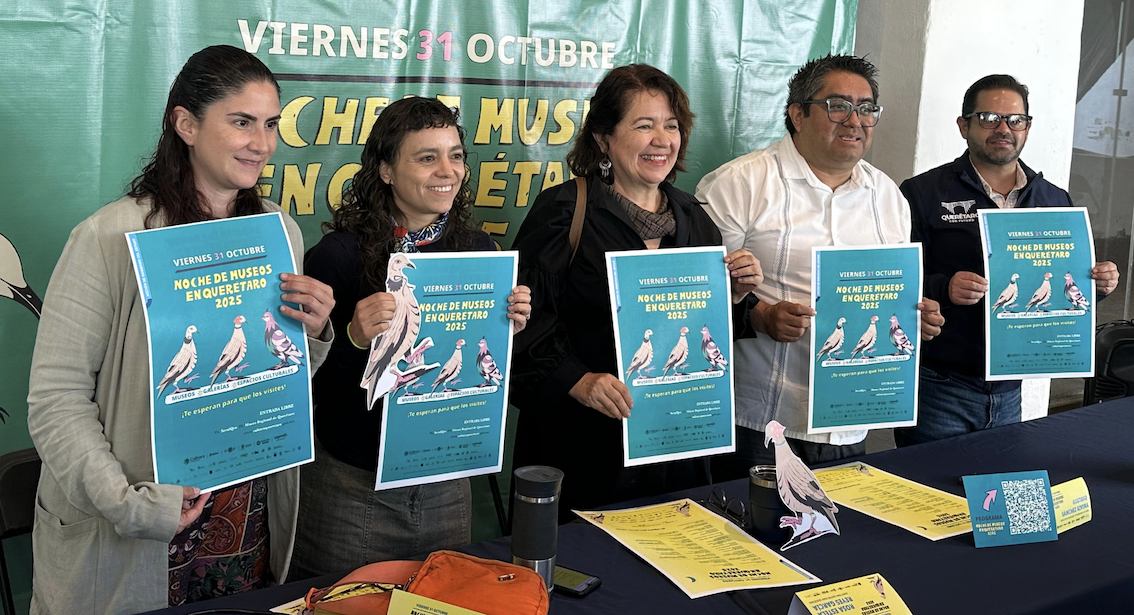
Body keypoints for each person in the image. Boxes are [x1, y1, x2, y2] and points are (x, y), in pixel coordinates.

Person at [27, 45, 336, 615]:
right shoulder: (108, 238)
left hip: (245, 522)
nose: (262, 143)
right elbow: (56, 400)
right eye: (241, 122)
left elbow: (272, 380)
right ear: (186, 124)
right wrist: (131, 505)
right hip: (137, 527)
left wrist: (310, 336)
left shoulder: (279, 233)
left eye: (271, 124)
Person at [288, 96, 532, 577]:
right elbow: (302, 390)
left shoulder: (480, 250)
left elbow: (489, 376)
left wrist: (510, 329)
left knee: (440, 605)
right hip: (352, 489)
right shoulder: (337, 256)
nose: (448, 171)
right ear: (385, 170)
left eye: (456, 155)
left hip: (446, 483)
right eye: (427, 157)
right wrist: (352, 339)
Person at [510, 64, 762, 520]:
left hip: (674, 450)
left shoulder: (694, 218)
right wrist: (577, 380)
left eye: (671, 126)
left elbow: (704, 330)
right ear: (603, 138)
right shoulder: (565, 212)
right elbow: (522, 324)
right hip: (583, 449)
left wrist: (736, 296)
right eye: (644, 125)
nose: (661, 140)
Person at [697, 54, 944, 476]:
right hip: (758, 419)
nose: (855, 120)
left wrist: (916, 315)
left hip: (850, 416)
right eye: (838, 106)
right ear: (797, 114)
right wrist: (760, 315)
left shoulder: (888, 196)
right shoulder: (739, 184)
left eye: (866, 108)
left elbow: (891, 291)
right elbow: (698, 293)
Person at [895, 74, 1119, 445]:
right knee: (929, 483)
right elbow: (896, 282)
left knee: (998, 482)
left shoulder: (1054, 200)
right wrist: (944, 287)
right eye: (988, 118)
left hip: (1011, 389)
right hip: (939, 385)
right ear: (964, 125)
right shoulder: (922, 192)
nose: (1003, 129)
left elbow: (1067, 287)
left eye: (1015, 120)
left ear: (1027, 127)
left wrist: (1098, 284)